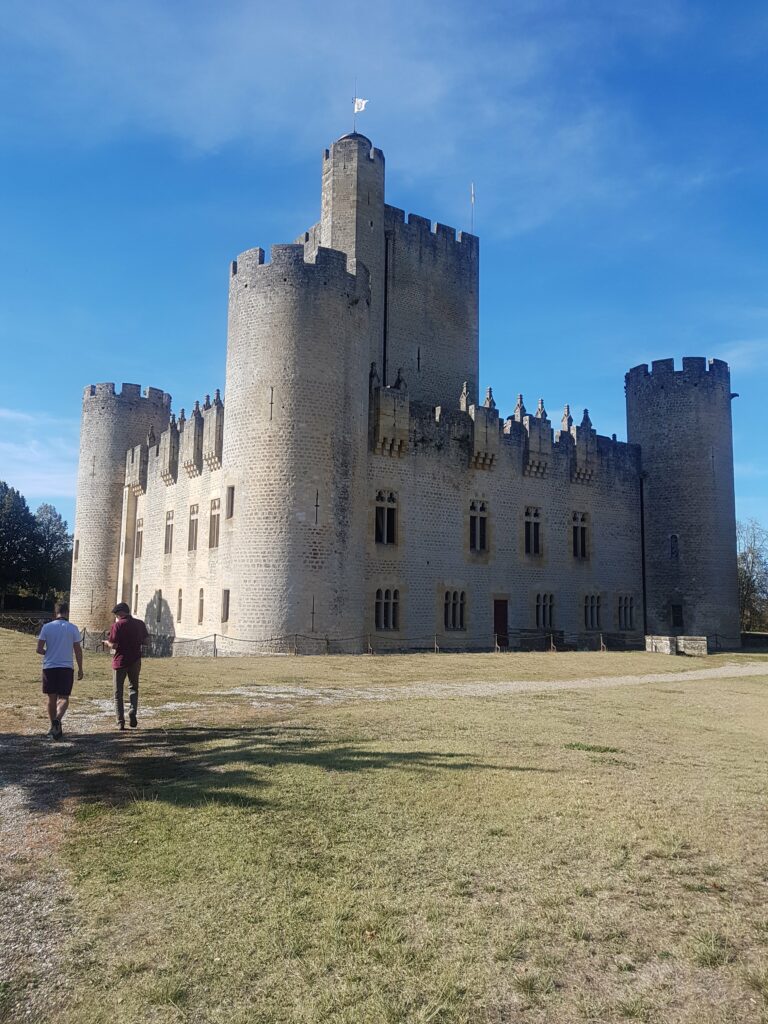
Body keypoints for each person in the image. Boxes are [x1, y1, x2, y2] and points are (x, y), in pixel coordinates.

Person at [36, 603, 83, 740]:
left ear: (55, 613)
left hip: (49, 666)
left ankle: (53, 725)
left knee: (51, 697)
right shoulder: (73, 628)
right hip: (66, 666)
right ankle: (57, 719)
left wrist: (48, 652)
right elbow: (78, 650)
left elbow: (39, 649)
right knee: (64, 697)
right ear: (67, 612)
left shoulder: (47, 627)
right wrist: (80, 668)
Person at [104, 602, 149, 731]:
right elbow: (146, 641)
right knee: (134, 688)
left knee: (118, 692)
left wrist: (107, 643)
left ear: (120, 613)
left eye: (116, 615)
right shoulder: (140, 624)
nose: (116, 617)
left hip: (120, 661)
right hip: (135, 660)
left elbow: (114, 645)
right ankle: (133, 711)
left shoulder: (117, 626)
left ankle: (120, 721)